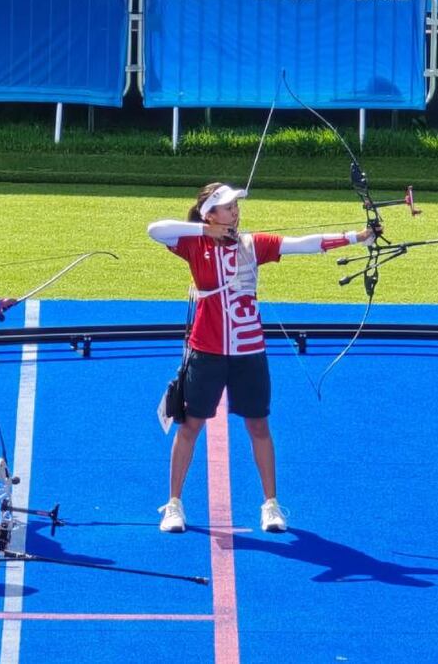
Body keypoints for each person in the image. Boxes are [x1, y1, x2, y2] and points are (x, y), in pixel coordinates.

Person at [146, 182, 378, 534]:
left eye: (236, 206)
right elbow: (155, 230)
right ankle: (174, 504)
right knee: (191, 425)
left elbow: (306, 244)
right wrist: (204, 229)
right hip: (207, 349)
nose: (235, 211)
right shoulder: (195, 243)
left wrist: (358, 237)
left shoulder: (252, 244)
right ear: (211, 214)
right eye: (227, 207)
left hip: (249, 350)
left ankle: (270, 505)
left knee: (258, 426)